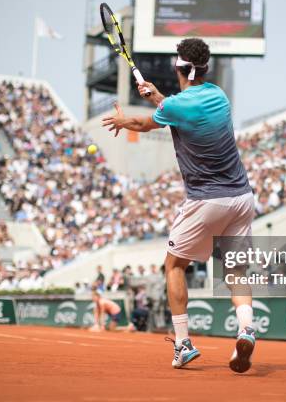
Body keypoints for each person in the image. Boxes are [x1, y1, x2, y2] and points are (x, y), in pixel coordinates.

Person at [102, 38, 256, 372]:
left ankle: (183, 344)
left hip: (206, 200)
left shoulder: (173, 107)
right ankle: (246, 328)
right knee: (235, 271)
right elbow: (177, 109)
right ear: (205, 69)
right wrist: (158, 97)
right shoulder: (218, 96)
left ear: (178, 66)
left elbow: (148, 123)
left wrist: (124, 120)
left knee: (174, 265)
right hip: (243, 198)